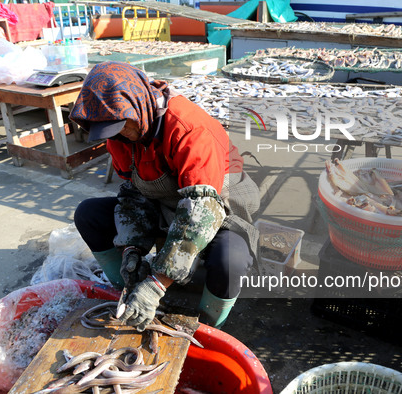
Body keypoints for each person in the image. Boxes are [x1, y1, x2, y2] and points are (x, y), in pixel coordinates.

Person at [69, 61, 260, 330]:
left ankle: (207, 323)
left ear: (136, 105)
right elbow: (133, 195)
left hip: (218, 205)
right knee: (88, 214)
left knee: (231, 259)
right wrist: (132, 249)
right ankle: (128, 293)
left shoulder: (189, 129)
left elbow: (199, 215)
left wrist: (157, 285)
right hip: (164, 202)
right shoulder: (120, 134)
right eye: (112, 131)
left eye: (122, 127)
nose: (120, 136)